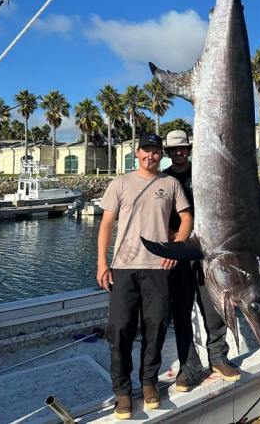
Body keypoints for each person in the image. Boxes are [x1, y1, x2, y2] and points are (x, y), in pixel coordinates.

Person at [96, 133, 193, 419]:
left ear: (161, 155)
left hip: (158, 268)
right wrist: (102, 264)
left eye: (155, 152)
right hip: (124, 267)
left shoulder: (170, 184)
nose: (150, 156)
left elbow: (186, 217)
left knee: (156, 327)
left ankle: (148, 382)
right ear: (136, 153)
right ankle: (122, 392)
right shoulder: (120, 183)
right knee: (120, 329)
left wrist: (175, 249)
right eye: (145, 151)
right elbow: (106, 225)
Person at [161, 129, 242, 392]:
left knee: (213, 307)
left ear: (189, 149)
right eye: (174, 149)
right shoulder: (164, 179)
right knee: (181, 311)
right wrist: (172, 237)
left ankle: (218, 357)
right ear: (169, 152)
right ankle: (190, 366)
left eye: (183, 148)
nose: (179, 152)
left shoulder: (203, 172)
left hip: (209, 251)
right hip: (181, 252)